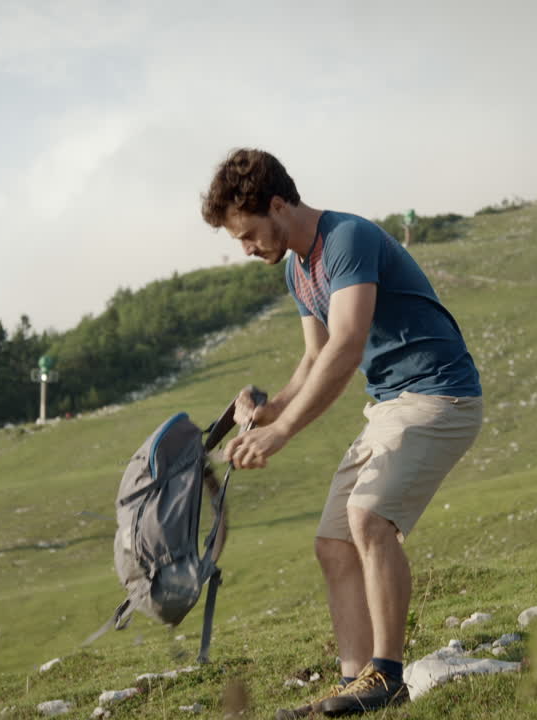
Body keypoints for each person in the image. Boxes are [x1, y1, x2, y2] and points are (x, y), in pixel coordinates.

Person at [200, 149, 483, 717]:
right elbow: (314, 359)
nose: (247, 248)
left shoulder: (348, 240)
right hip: (389, 407)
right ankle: (356, 682)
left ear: (279, 205)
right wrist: (268, 411)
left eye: (249, 233)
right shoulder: (294, 267)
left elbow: (348, 344)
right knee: (333, 542)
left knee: (368, 518)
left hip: (438, 394)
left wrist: (280, 438)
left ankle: (388, 676)